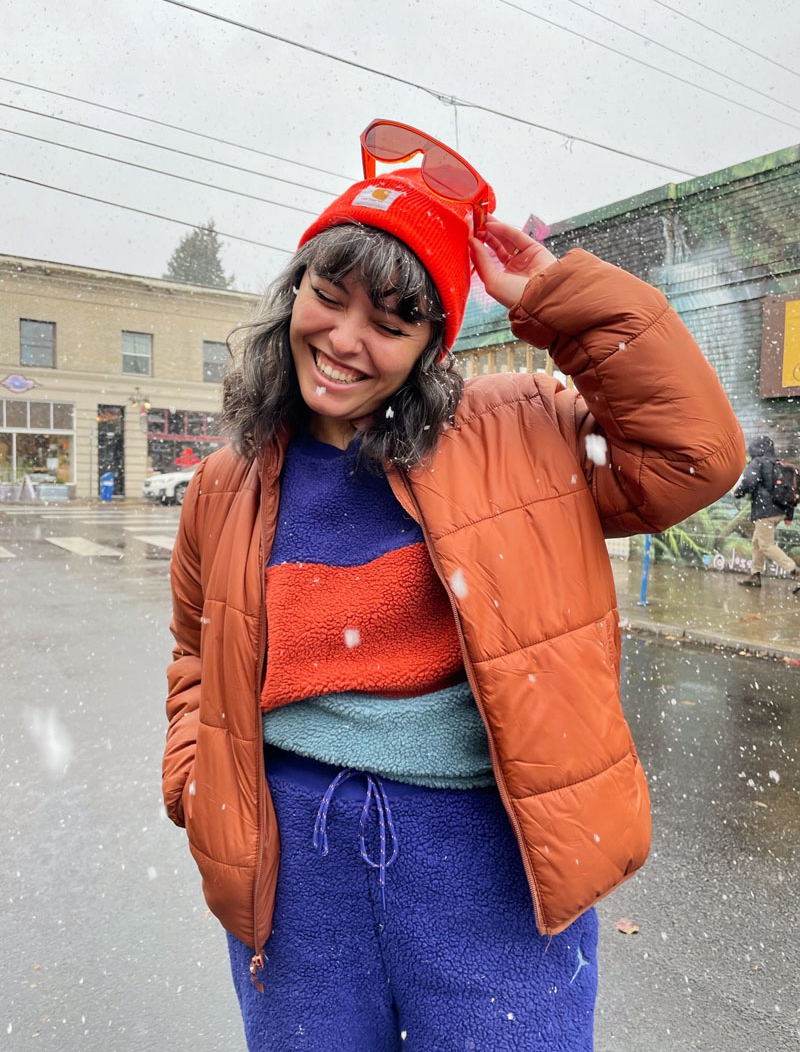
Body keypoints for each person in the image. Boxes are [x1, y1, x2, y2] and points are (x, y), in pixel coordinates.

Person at [162, 119, 744, 1052]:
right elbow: (195, 648)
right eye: (329, 295)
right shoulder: (228, 483)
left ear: (434, 345)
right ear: (295, 292)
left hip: (489, 868)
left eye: (391, 323)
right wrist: (198, 782)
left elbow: (697, 456)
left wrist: (553, 297)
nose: (346, 340)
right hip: (294, 875)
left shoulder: (522, 431)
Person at [734, 435, 799, 591]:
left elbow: (749, 481)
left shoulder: (759, 462)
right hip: (778, 511)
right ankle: (755, 575)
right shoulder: (778, 464)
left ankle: (795, 571)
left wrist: (738, 492)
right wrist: (788, 515)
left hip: (765, 512)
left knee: (766, 545)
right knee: (757, 542)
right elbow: (791, 490)